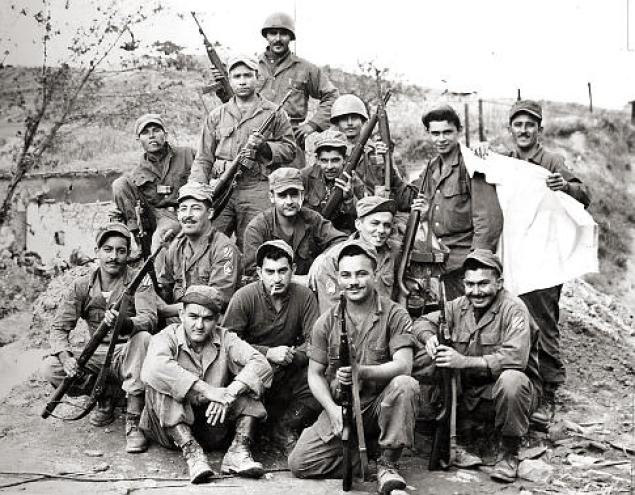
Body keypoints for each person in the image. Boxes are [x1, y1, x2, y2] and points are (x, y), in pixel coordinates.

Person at [473, 100, 591, 427]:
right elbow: (480, 167)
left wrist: (564, 186)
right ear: (510, 129)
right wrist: (481, 152)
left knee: (544, 320)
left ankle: (550, 391)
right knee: (515, 318)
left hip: (545, 257)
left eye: (530, 125)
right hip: (514, 255)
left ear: (539, 129)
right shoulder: (507, 161)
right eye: (518, 125)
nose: (523, 131)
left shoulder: (552, 161)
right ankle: (525, 387)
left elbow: (585, 194)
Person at [289, 240, 419, 494]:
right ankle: (367, 453)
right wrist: (332, 410)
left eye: (361, 274)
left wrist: (363, 372)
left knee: (406, 386)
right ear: (338, 278)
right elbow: (314, 374)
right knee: (300, 463)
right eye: (346, 275)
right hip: (344, 405)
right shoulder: (326, 322)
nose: (354, 282)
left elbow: (405, 366)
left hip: (381, 403)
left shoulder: (395, 314)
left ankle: (388, 463)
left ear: (375, 274)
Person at [413, 249, 540, 483]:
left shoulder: (514, 309)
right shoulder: (459, 305)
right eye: (470, 284)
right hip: (469, 392)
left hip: (506, 394)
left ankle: (509, 453)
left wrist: (463, 362)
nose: (476, 291)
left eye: (483, 284)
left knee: (512, 381)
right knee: (424, 357)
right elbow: (421, 322)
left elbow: (514, 359)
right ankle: (444, 435)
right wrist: (428, 338)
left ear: (499, 283)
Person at [39, 223, 158, 454]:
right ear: (97, 252)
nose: (114, 256)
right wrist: (65, 357)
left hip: (129, 353)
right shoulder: (81, 285)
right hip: (96, 355)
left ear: (128, 254)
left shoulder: (139, 280)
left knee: (143, 339)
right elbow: (59, 328)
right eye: (107, 249)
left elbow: (150, 319)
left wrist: (126, 323)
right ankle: (106, 396)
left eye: (121, 251)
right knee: (50, 368)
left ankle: (133, 421)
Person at [140, 285, 273, 483]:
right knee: (160, 384)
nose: (200, 325)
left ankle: (238, 452)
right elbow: (154, 368)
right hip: (170, 429)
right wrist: (209, 391)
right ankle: (193, 454)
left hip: (212, 426)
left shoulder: (225, 337)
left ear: (217, 319)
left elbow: (260, 363)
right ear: (181, 314)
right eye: (193, 317)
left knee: (249, 385)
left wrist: (230, 392)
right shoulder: (166, 337)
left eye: (208, 318)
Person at [394, 105, 503, 300]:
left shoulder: (471, 164)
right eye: (435, 133)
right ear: (428, 133)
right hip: (440, 259)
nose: (441, 139)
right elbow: (407, 198)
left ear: (459, 131)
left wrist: (477, 265)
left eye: (447, 132)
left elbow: (488, 221)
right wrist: (385, 162)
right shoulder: (432, 166)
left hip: (465, 260)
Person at [189, 55, 296, 251]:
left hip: (257, 187)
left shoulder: (274, 113)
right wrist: (196, 192)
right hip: (222, 187)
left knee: (254, 244)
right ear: (229, 81)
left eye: (248, 75)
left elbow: (289, 149)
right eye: (237, 76)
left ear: (257, 77)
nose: (242, 81)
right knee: (208, 242)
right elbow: (203, 158)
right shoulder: (217, 116)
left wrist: (264, 147)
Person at [222, 240, 321, 451]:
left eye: (283, 271)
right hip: (253, 370)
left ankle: (284, 427)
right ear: (259, 272)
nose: (277, 278)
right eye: (270, 272)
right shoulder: (244, 297)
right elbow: (227, 342)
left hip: (289, 368)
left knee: (324, 373)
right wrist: (267, 353)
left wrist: (292, 355)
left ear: (293, 270)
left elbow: (316, 341)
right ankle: (244, 440)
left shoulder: (304, 297)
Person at [257, 12, 339, 168]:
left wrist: (313, 125)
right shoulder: (252, 68)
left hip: (290, 143)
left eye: (284, 34)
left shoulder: (304, 68)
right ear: (266, 36)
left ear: (291, 37)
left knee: (293, 188)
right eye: (273, 33)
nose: (278, 39)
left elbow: (332, 95)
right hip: (257, 142)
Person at [242, 167, 347, 283]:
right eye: (282, 195)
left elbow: (341, 240)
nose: (289, 201)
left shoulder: (312, 218)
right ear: (272, 197)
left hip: (309, 290)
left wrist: (323, 258)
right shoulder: (257, 228)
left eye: (294, 194)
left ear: (301, 195)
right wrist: (294, 280)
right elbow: (253, 274)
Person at [155, 182, 241, 321]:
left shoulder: (224, 249)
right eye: (183, 209)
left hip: (211, 324)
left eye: (195, 209)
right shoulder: (176, 247)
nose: (188, 215)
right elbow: (166, 287)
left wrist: (165, 310)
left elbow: (216, 301)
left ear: (210, 213)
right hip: (177, 322)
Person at [111, 114, 195, 252]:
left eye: (156, 130)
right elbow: (127, 199)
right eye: (145, 132)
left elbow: (211, 171)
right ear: (139, 139)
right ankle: (138, 241)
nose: (151, 136)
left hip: (186, 211)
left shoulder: (188, 154)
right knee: (119, 184)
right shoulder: (137, 173)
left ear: (165, 134)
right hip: (158, 218)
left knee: (162, 239)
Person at [311, 196, 400, 313]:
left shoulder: (394, 252)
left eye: (387, 225)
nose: (381, 230)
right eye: (375, 223)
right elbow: (332, 313)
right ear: (358, 224)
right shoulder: (334, 259)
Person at [330, 93, 406, 198]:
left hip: (376, 208)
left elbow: (397, 184)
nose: (350, 123)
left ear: (363, 120)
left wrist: (388, 158)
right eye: (344, 119)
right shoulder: (331, 154)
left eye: (355, 118)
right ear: (337, 122)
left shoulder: (377, 151)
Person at [301, 129, 365, 233]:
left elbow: (363, 219)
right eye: (324, 160)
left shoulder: (353, 181)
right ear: (317, 159)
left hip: (341, 236)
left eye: (335, 160)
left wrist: (349, 200)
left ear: (344, 159)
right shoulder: (304, 177)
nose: (329, 167)